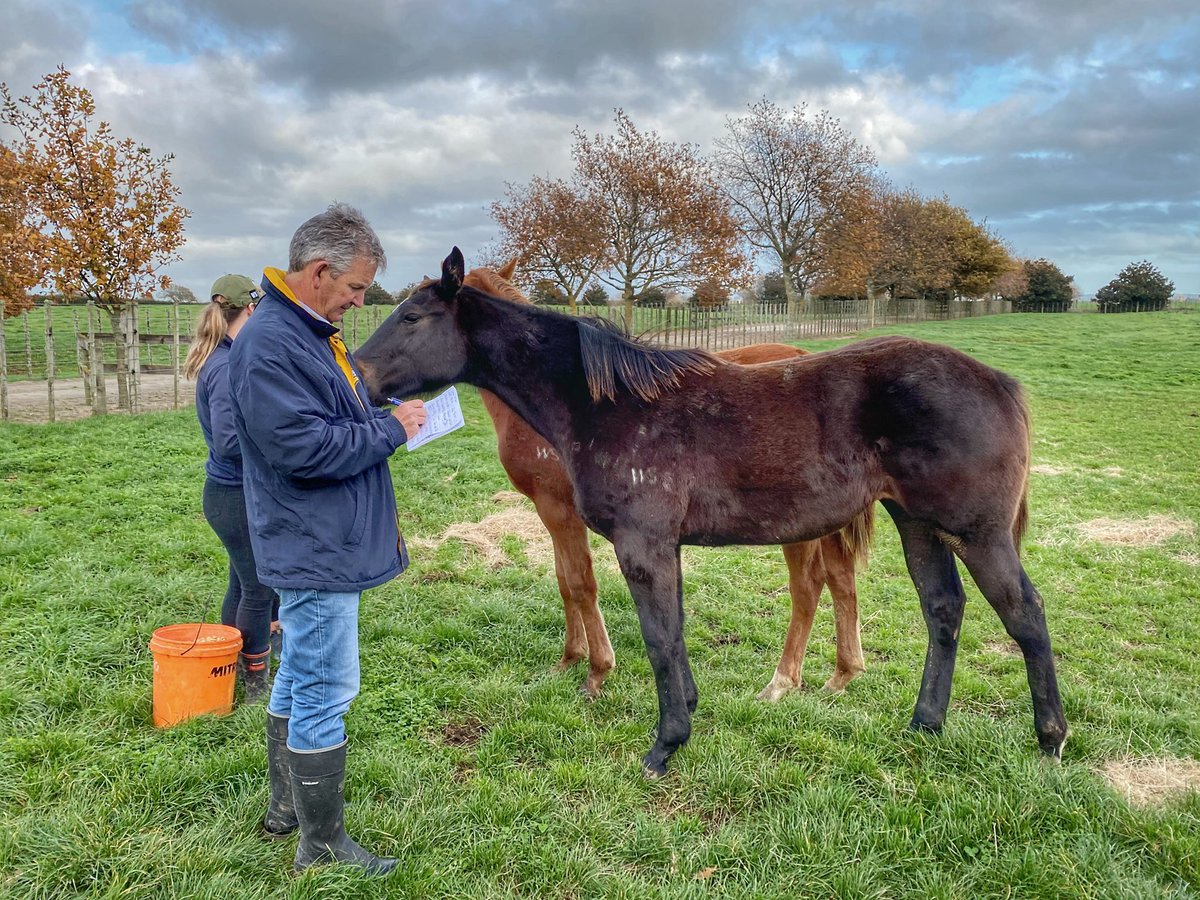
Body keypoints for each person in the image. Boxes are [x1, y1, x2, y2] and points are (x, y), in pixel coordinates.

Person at [227, 203, 426, 876]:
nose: (360, 301)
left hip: (320, 537)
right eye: (355, 287)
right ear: (318, 272)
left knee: (297, 676)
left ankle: (287, 810)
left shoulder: (304, 332)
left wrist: (379, 412)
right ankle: (322, 848)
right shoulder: (271, 344)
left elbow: (327, 410)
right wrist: (390, 432)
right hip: (314, 544)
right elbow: (303, 448)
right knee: (323, 686)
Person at [183, 274, 277, 702]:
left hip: (231, 494)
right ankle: (255, 683)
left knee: (242, 584)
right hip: (233, 494)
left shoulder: (227, 355)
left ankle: (230, 663)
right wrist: (277, 440)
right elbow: (227, 440)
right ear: (251, 310)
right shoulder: (224, 367)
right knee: (258, 588)